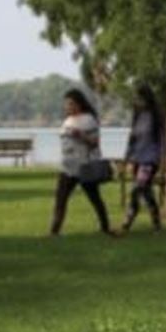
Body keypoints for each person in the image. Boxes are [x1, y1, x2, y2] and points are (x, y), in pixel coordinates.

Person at [51, 89, 115, 237]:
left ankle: (105, 227)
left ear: (79, 104)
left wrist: (81, 135)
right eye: (66, 104)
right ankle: (54, 231)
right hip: (67, 166)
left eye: (71, 104)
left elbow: (95, 143)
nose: (68, 107)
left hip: (84, 166)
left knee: (94, 198)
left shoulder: (88, 120)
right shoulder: (67, 120)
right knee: (60, 198)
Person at [121, 84, 164, 233]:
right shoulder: (137, 116)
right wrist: (127, 157)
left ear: (146, 98)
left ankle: (128, 220)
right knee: (145, 191)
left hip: (150, 159)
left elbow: (163, 139)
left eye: (139, 98)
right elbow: (132, 139)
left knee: (138, 187)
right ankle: (156, 222)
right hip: (137, 158)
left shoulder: (156, 116)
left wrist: (163, 158)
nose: (136, 101)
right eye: (136, 98)